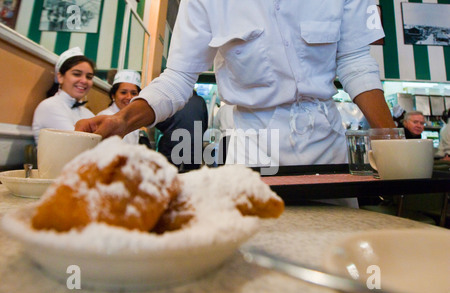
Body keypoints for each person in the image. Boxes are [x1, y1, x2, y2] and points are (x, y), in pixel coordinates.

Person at [76, 0, 395, 169]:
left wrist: (391, 142)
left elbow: (355, 60)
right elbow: (178, 77)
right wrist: (123, 120)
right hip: (254, 150)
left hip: (327, 149)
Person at [32, 47, 96, 144]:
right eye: (77, 74)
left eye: (89, 77)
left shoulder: (86, 112)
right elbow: (77, 142)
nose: (84, 81)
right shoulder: (49, 106)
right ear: (60, 77)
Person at [155, 90, 208, 171]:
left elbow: (160, 123)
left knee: (169, 178)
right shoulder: (200, 101)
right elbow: (204, 124)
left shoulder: (170, 100)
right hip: (194, 148)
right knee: (192, 177)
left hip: (171, 146)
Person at [98, 69, 142, 145]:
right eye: (123, 92)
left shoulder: (134, 119)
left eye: (134, 93)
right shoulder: (104, 117)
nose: (129, 97)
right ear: (113, 95)